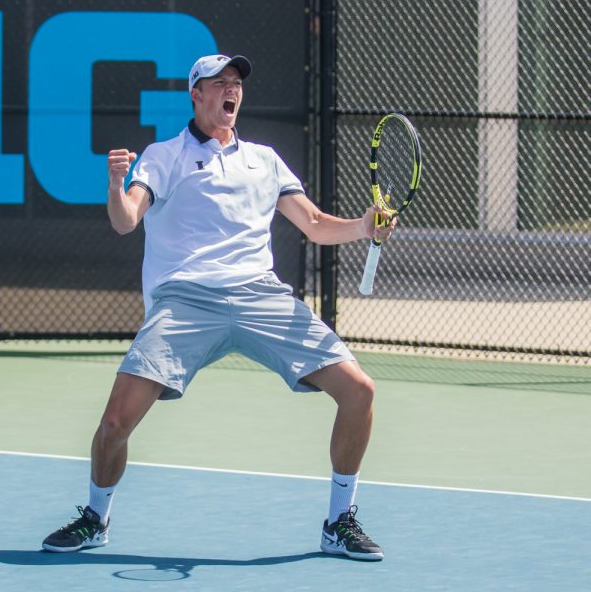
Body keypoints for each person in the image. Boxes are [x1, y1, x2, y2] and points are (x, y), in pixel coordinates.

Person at [41, 54, 392, 561]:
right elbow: (125, 221)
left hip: (261, 297)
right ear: (196, 95)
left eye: (237, 84)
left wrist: (362, 226)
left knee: (359, 391)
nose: (231, 90)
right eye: (219, 83)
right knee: (116, 421)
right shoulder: (164, 155)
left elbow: (314, 224)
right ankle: (96, 518)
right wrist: (117, 185)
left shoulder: (265, 160)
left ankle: (339, 522)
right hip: (185, 301)